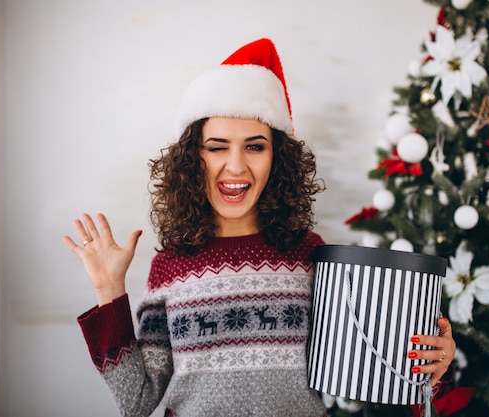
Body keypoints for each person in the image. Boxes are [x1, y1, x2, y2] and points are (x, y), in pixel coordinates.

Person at [63, 38, 456, 417]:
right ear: (192, 159)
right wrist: (109, 290)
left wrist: (432, 368)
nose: (235, 166)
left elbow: (371, 368)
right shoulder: (170, 267)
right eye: (217, 147)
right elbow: (136, 403)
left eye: (254, 146)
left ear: (277, 157)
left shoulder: (310, 255)